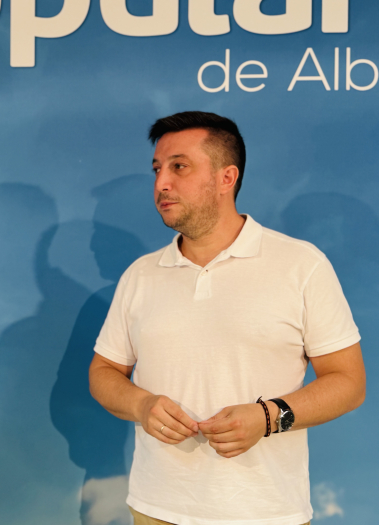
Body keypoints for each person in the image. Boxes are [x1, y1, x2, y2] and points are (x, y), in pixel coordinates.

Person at [88, 111, 366, 525]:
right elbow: (104, 372)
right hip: (155, 509)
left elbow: (349, 383)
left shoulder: (301, 265)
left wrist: (267, 417)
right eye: (157, 169)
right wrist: (141, 405)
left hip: (267, 513)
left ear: (226, 177)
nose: (161, 183)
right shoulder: (141, 274)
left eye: (179, 167)